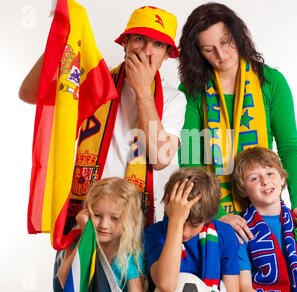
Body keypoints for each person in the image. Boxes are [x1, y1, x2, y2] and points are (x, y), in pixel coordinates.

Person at [19, 6, 186, 226]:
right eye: (139, 39)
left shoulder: (174, 99)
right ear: (125, 43)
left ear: (166, 55)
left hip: (133, 223)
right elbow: (29, 94)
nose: (147, 50)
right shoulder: (95, 81)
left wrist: (144, 91)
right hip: (84, 214)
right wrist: (60, 42)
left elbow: (160, 159)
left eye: (158, 44)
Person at [177, 2, 297, 243]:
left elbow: (289, 149)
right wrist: (218, 215)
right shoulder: (192, 90)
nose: (221, 55)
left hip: (265, 206)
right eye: (208, 49)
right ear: (197, 52)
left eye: (225, 42)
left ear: (237, 34)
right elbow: (190, 162)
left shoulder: (271, 82)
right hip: (213, 213)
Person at [232, 147, 297, 292]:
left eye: (270, 173)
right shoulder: (242, 229)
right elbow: (243, 287)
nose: (265, 181)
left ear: (282, 178)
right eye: (254, 178)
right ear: (242, 190)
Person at [144, 167, 240, 292]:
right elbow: (166, 285)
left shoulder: (225, 233)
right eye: (182, 224)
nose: (184, 232)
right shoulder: (153, 234)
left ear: (207, 219)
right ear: (167, 205)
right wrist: (176, 221)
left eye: (194, 225)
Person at [55, 177, 145, 292]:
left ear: (129, 221)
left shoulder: (130, 255)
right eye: (97, 215)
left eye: (115, 218)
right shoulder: (77, 239)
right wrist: (85, 234)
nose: (104, 225)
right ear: (87, 212)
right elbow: (64, 280)